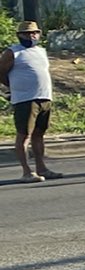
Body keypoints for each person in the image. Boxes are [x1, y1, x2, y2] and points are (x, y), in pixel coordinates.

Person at [1, 19, 58, 182]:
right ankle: (26, 171)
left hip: (44, 97)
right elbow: (1, 72)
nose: (31, 36)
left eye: (34, 33)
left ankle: (42, 168)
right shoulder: (13, 52)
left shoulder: (41, 51)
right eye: (27, 33)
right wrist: (12, 87)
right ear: (19, 36)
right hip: (25, 99)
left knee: (39, 134)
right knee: (24, 134)